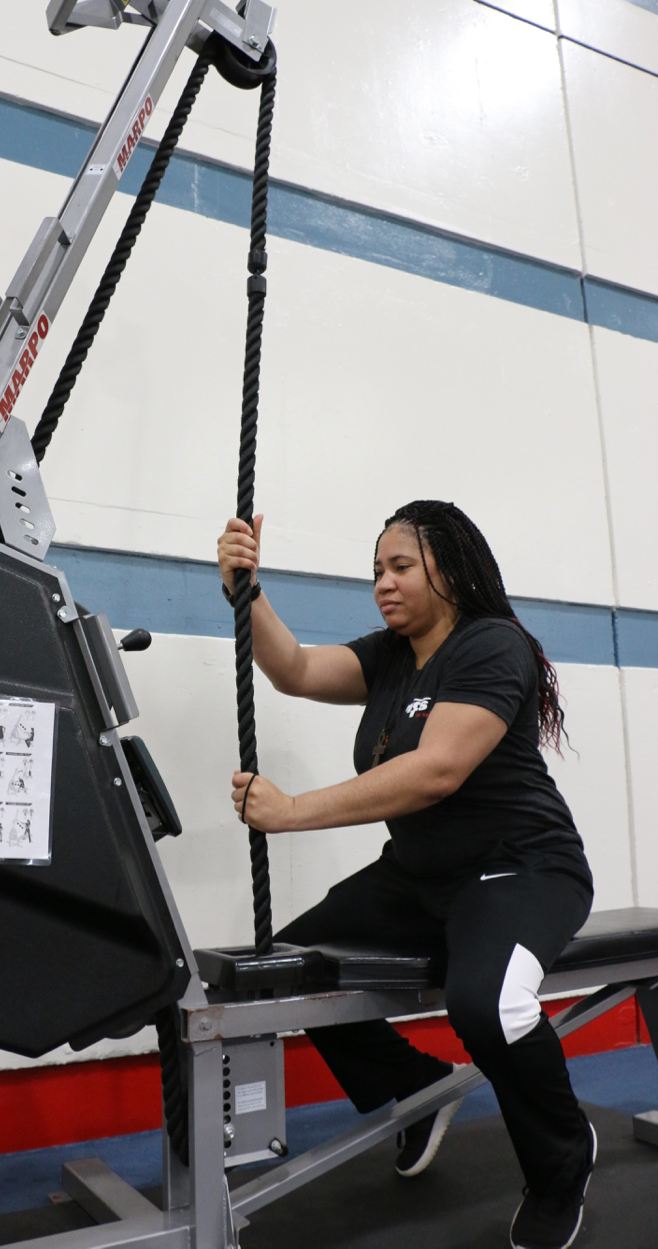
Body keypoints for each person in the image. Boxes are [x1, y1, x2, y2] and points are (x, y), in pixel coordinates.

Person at [217, 499, 596, 1249]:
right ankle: (415, 1086)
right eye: (376, 572)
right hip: (420, 877)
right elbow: (291, 669)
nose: (382, 585)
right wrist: (245, 592)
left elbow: (436, 772)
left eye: (400, 568)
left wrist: (291, 811)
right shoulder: (392, 654)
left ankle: (560, 1163)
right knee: (285, 968)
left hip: (518, 868)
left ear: (449, 572)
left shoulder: (492, 646)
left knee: (488, 1006)